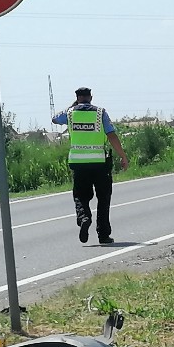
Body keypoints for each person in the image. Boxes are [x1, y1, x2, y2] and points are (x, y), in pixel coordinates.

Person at [52, 87, 129, 244]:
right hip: (99, 163)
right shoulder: (101, 113)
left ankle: (84, 216)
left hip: (78, 163)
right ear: (91, 97)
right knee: (103, 198)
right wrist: (123, 156)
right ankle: (103, 235)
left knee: (80, 196)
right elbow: (112, 135)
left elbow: (54, 119)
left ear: (77, 97)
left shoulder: (70, 113)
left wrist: (73, 106)